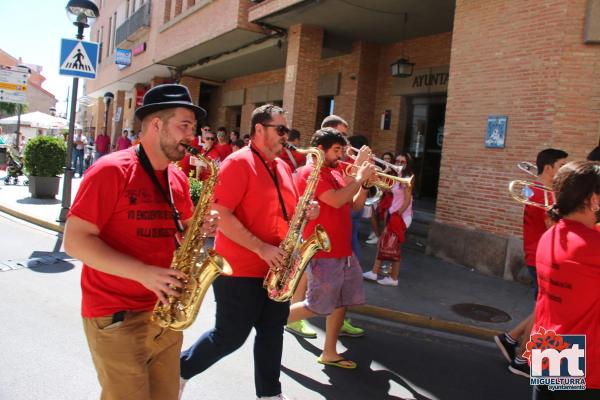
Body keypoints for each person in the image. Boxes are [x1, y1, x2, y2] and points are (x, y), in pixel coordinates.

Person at [63, 84, 217, 400]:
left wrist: (200, 228)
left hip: (165, 315)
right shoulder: (110, 170)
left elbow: (183, 233)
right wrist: (144, 273)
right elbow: (76, 241)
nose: (192, 136)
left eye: (193, 128)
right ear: (156, 124)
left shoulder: (176, 177)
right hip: (117, 317)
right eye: (184, 126)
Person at [180, 104, 319, 400]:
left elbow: (289, 212)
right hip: (238, 269)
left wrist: (308, 211)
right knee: (229, 338)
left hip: (276, 271)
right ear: (259, 130)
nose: (286, 136)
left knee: (272, 332)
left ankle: (270, 394)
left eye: (286, 130)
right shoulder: (237, 163)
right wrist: (261, 248)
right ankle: (179, 370)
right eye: (279, 130)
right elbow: (220, 214)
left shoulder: (283, 166)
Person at [286, 127, 375, 369]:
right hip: (323, 251)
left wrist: (364, 185)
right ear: (320, 150)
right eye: (336, 150)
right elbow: (335, 200)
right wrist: (357, 174)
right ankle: (269, 321)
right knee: (316, 305)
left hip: (343, 249)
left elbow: (354, 206)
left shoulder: (335, 173)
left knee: (341, 301)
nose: (340, 155)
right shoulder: (309, 173)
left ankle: (329, 352)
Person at [494, 148, 568, 377]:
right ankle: (521, 359)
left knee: (543, 308)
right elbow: (554, 228)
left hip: (539, 256)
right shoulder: (542, 195)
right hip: (542, 258)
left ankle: (510, 340)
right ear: (549, 168)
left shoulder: (540, 191)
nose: (564, 170)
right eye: (562, 166)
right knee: (544, 309)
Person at [531, 160, 600, 399]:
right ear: (593, 199)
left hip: (549, 350)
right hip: (585, 368)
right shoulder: (592, 247)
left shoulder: (550, 235)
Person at [363, 153, 413, 286]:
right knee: (384, 244)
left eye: (402, 162)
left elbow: (407, 200)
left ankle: (393, 278)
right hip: (395, 214)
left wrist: (397, 214)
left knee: (393, 248)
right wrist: (381, 173)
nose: (399, 163)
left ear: (407, 164)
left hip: (400, 217)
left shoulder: (406, 178)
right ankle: (375, 272)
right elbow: (388, 189)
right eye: (397, 161)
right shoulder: (398, 177)